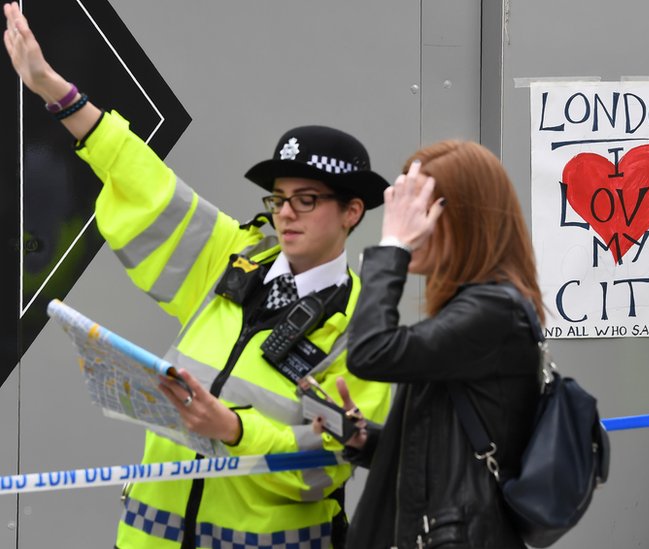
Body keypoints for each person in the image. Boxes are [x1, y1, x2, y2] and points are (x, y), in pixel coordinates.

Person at [3, 3, 392, 548]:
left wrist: (232, 430)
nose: (286, 213)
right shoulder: (233, 258)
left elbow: (325, 470)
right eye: (279, 199)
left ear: (352, 211)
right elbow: (147, 185)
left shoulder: (365, 332)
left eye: (307, 200)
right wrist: (56, 91)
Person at [325, 142, 544, 548]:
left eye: (420, 208)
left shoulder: (493, 311)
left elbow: (371, 352)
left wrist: (392, 246)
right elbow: (443, 460)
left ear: (462, 217)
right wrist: (366, 439)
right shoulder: (477, 308)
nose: (408, 223)